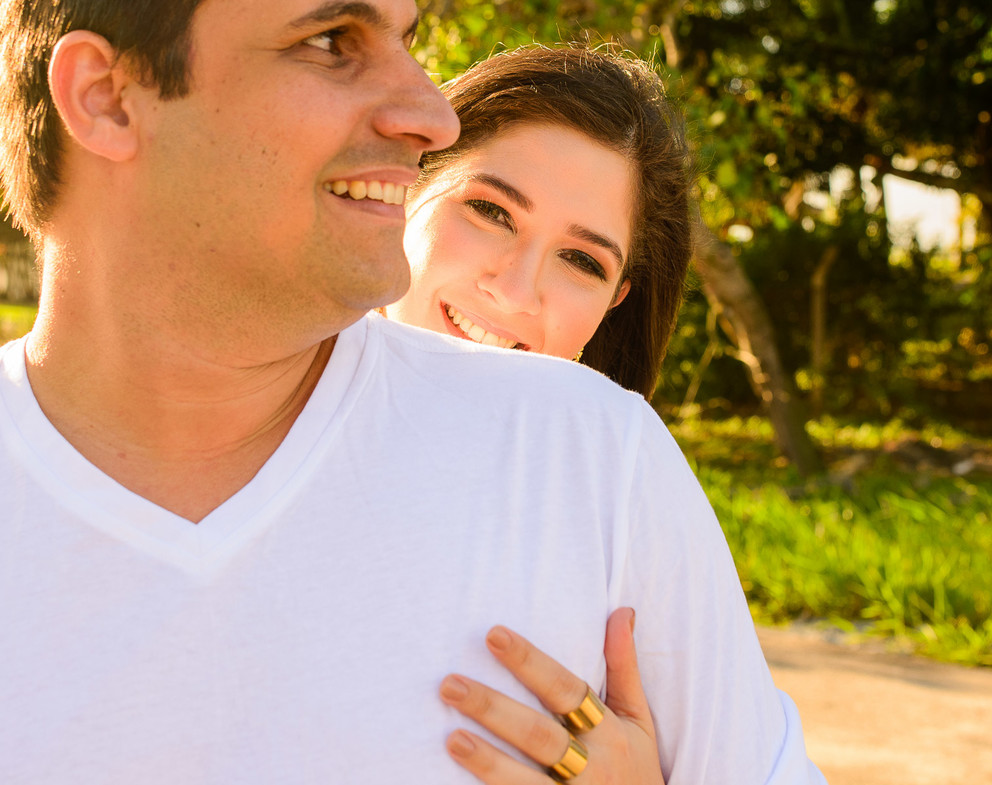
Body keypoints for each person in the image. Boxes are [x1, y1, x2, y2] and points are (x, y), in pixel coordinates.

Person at [0, 2, 826, 785]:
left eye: (584, 260)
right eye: (330, 40)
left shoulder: (593, 458)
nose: (432, 113)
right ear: (105, 98)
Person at [386, 45, 691, 400]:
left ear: (614, 301)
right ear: (403, 190)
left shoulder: (626, 452)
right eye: (491, 211)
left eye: (581, 260)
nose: (515, 294)